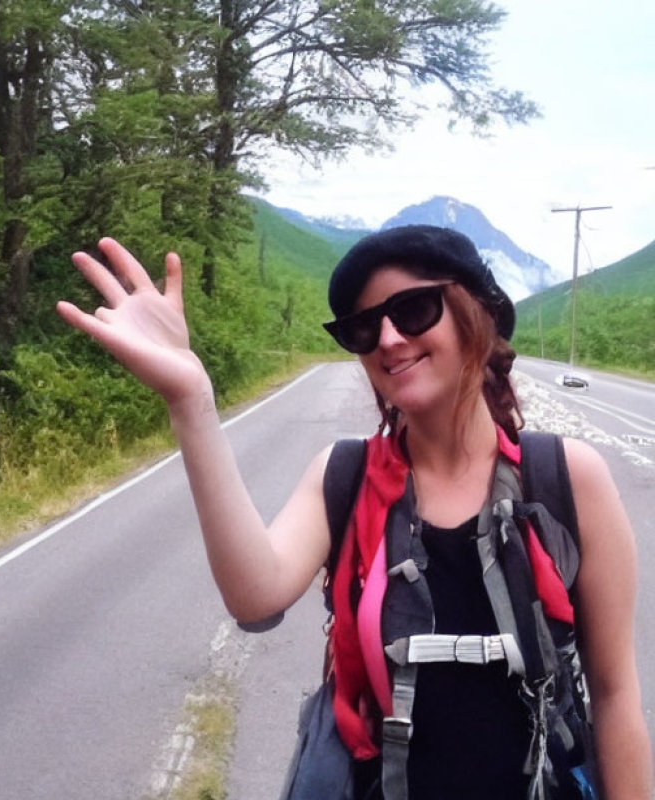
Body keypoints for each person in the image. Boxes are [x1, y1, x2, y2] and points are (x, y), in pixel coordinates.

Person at [56, 227, 652, 799]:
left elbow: (615, 694)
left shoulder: (566, 480)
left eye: (414, 310)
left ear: (478, 315)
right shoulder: (344, 478)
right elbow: (254, 595)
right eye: (364, 328)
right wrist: (191, 399)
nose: (389, 338)